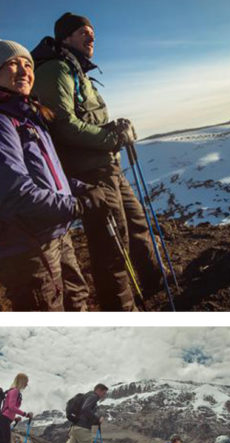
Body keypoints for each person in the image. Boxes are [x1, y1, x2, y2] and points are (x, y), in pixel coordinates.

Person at [0, 39, 98, 311]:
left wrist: (80, 188)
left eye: (27, 64)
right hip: (26, 248)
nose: (24, 71)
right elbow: (15, 193)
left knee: (77, 303)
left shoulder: (28, 116)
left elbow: (51, 177)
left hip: (54, 234)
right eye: (12, 64)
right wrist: (76, 206)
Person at [31, 13, 161, 311]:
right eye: (82, 32)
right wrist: (112, 139)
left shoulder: (77, 71)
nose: (91, 37)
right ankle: (121, 308)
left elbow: (85, 119)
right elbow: (63, 124)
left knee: (137, 225)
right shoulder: (56, 70)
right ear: (65, 38)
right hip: (90, 172)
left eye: (92, 32)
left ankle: (155, 283)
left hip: (107, 165)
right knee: (112, 247)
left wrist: (112, 130)